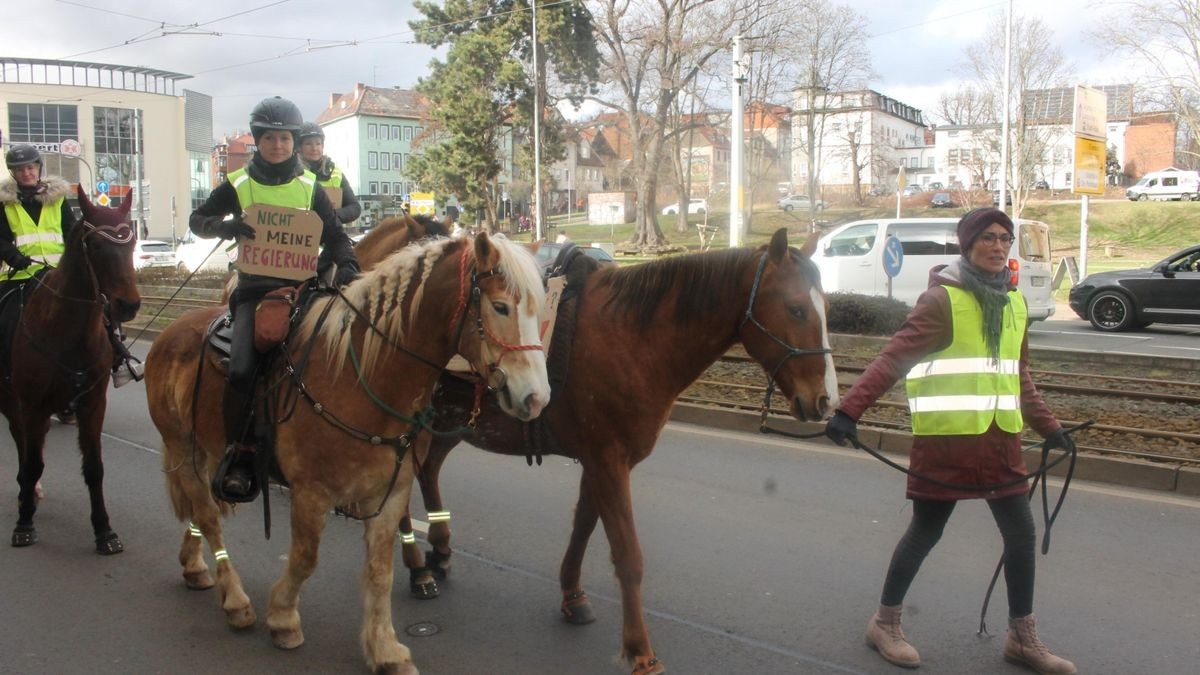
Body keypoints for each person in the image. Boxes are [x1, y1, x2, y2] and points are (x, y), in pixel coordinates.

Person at [825, 208, 1077, 674]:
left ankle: (1021, 638)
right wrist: (849, 410)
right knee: (925, 532)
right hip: (947, 443)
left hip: (1002, 443)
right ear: (967, 245)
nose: (998, 246)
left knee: (1020, 536)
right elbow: (893, 358)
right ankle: (885, 623)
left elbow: (1019, 379)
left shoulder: (1015, 303)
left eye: (1005, 238)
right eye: (987, 238)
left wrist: (1051, 428)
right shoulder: (941, 300)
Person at [189, 96, 360, 503]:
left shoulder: (310, 187)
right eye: (270, 139)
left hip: (305, 291)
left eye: (284, 139)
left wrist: (349, 264)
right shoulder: (239, 183)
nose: (278, 146)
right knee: (243, 369)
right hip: (254, 292)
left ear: (294, 141)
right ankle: (242, 453)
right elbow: (198, 221)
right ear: (259, 141)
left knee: (337, 359)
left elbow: (335, 235)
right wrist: (225, 226)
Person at [0, 144, 143, 389]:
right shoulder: (5, 204)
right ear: (13, 173)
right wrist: (13, 256)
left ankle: (119, 360)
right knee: (4, 315)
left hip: (60, 273)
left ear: (39, 168)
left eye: (31, 167)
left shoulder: (57, 200)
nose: (27, 173)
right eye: (20, 169)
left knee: (103, 307)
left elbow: (73, 232)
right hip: (21, 274)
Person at [297, 122, 362, 226]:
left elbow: (354, 207)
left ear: (323, 146)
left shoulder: (336, 173)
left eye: (318, 143)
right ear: (299, 147)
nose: (314, 148)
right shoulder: (292, 172)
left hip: (330, 235)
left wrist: (331, 216)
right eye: (308, 144)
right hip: (301, 232)